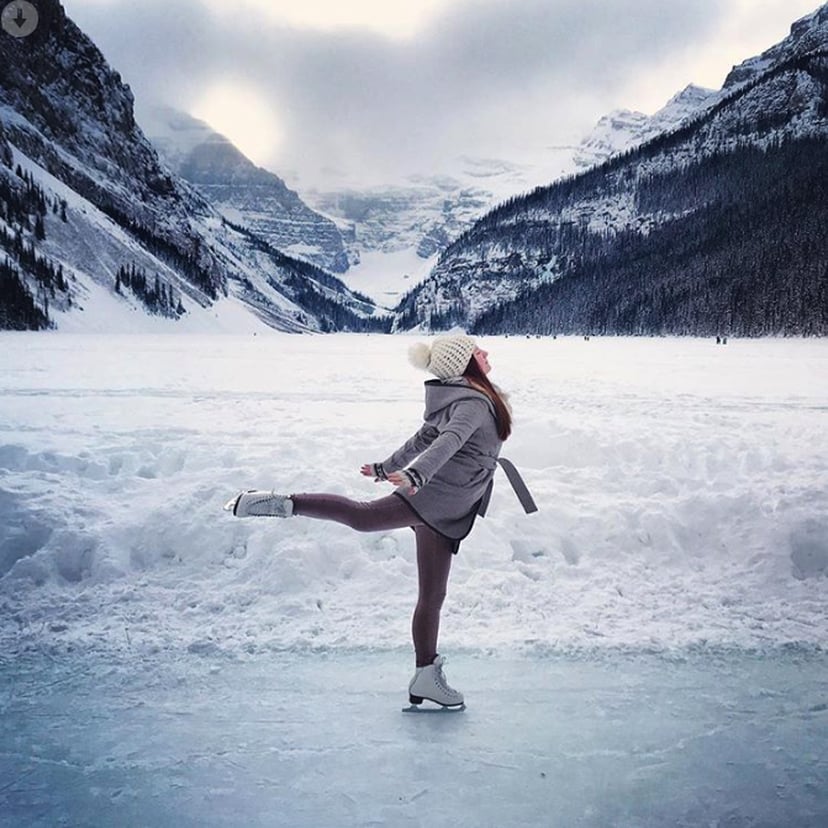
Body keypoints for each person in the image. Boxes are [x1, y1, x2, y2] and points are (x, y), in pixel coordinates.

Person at [224, 334, 534, 709]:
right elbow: (446, 442)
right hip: (436, 497)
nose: (485, 353)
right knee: (362, 516)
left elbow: (425, 437)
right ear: (465, 363)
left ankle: (425, 676)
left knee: (432, 596)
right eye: (476, 351)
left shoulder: (462, 396)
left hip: (446, 502)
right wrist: (416, 476)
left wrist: (389, 467)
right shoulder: (471, 403)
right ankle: (278, 503)